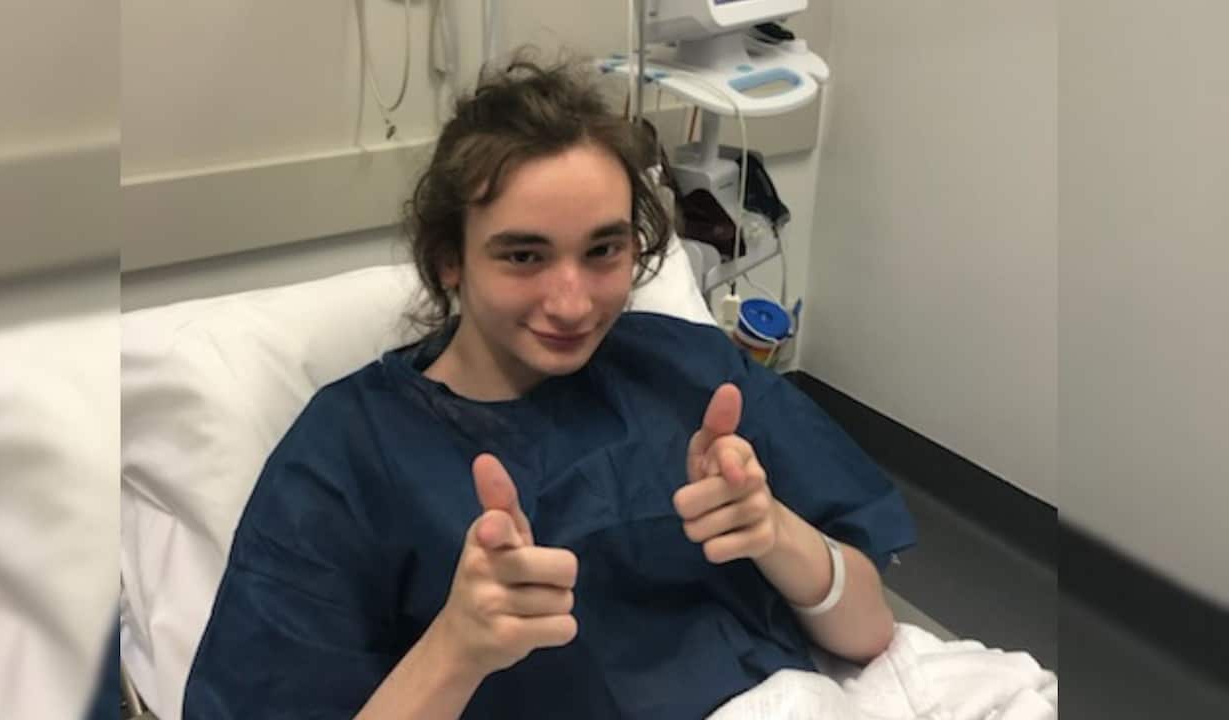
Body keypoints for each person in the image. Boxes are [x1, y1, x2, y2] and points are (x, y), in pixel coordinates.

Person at [182, 54, 916, 720]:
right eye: (524, 256)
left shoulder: (690, 371)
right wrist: (457, 647)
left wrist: (774, 531)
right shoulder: (349, 455)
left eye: (604, 249)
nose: (571, 303)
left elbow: (868, 633)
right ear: (449, 260)